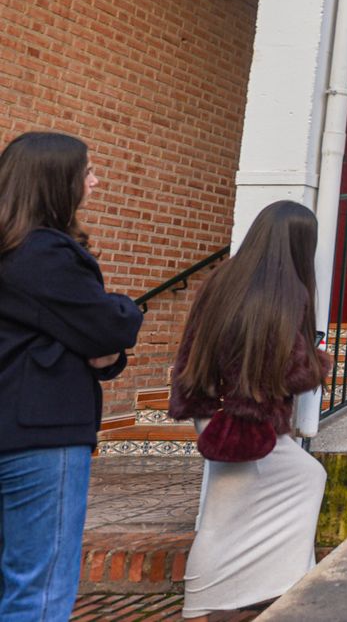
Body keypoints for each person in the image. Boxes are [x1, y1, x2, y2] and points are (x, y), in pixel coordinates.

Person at [0, 131, 143, 622]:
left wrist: (98, 347)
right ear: (57, 183)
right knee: (38, 588)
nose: (96, 182)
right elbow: (110, 324)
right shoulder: (43, 253)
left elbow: (92, 340)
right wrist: (120, 314)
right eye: (87, 172)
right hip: (41, 433)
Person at [168, 200, 332, 619]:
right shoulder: (285, 291)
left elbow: (192, 348)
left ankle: (265, 586)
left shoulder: (225, 279)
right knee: (241, 504)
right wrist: (321, 362)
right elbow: (289, 369)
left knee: (246, 498)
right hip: (249, 418)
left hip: (215, 411)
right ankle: (211, 600)